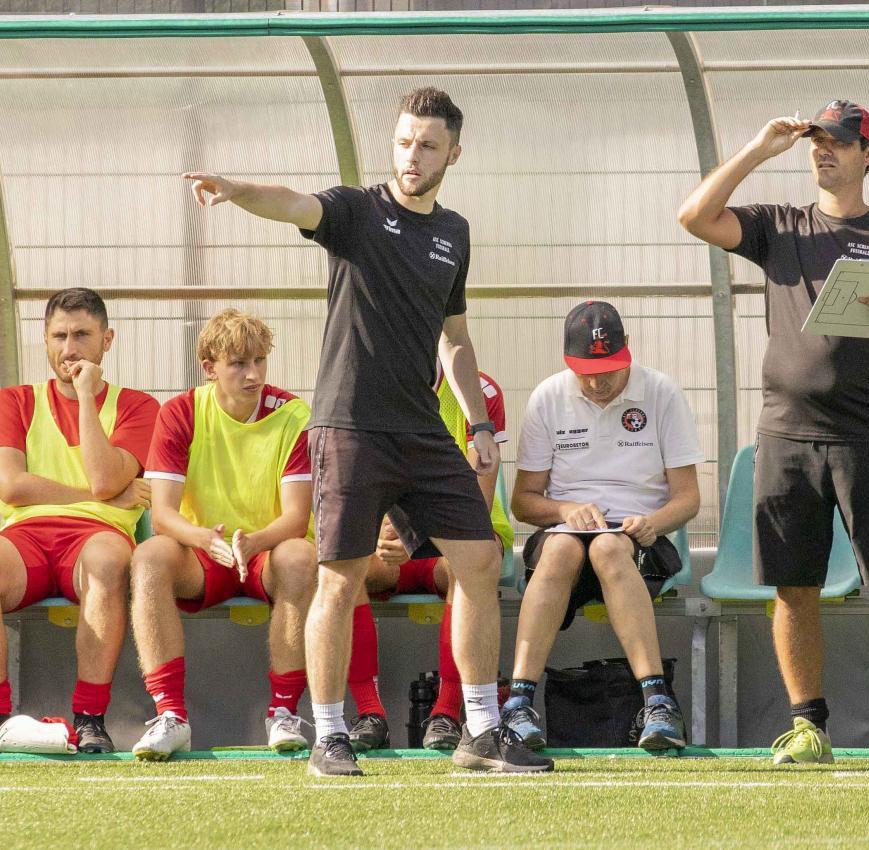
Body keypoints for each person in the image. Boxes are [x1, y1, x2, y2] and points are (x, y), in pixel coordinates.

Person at [182, 86, 551, 775]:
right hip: (349, 427)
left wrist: (477, 422)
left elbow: (456, 339)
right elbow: (292, 202)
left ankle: (479, 731)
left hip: (423, 430)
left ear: (453, 154)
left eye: (428, 145)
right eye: (405, 142)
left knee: (477, 562)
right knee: (342, 577)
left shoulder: (453, 233)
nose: (413, 156)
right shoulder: (355, 212)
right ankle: (329, 735)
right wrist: (233, 189)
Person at [678, 100, 869, 766]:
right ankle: (810, 730)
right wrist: (757, 147)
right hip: (787, 434)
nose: (822, 151)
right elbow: (692, 216)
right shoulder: (778, 226)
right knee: (793, 586)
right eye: (816, 142)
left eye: (838, 142)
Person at [504, 301, 702, 752]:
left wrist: (652, 523)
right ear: (566, 361)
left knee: (609, 548)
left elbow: (688, 498)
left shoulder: (662, 392)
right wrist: (564, 511)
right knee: (563, 549)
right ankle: (518, 703)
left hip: (639, 541)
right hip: (562, 539)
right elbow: (523, 503)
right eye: (585, 371)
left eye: (609, 370)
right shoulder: (547, 397)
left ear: (628, 350)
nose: (597, 382)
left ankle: (657, 702)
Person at [130, 309, 317, 760]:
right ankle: (170, 715)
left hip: (265, 550)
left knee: (299, 557)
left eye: (260, 361)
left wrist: (253, 542)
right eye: (238, 363)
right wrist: (201, 538)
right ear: (209, 367)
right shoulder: (181, 411)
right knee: (151, 556)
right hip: (204, 552)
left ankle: (284, 712)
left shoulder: (293, 413)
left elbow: (295, 518)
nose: (253, 374)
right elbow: (163, 515)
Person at [0, 288, 158, 754]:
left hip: (97, 534)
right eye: (60, 336)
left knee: (109, 563)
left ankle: (90, 719)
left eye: (83, 335)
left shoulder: (137, 405)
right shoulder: (16, 400)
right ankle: (2, 720)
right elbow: (11, 487)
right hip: (22, 535)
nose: (70, 348)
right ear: (45, 341)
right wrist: (101, 493)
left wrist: (87, 396)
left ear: (107, 340)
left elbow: (106, 474)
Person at [347, 363, 515, 753]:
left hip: (456, 543)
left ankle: (446, 713)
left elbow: (477, 510)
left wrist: (415, 535)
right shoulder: (364, 386)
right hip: (389, 550)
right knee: (344, 568)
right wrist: (376, 536)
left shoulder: (481, 392)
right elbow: (353, 486)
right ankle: (369, 714)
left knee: (471, 561)